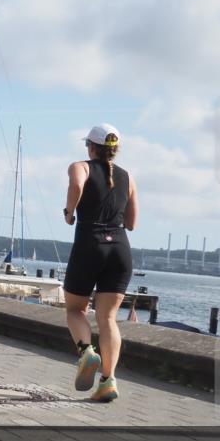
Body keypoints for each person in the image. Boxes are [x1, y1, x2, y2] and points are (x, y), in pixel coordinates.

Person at [63, 123, 138, 402]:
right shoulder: (128, 178)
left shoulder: (80, 167)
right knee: (108, 318)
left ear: (91, 147)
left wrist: (70, 211)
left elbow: (75, 185)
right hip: (120, 249)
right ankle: (108, 381)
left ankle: (87, 352)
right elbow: (132, 223)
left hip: (89, 243)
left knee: (75, 309)